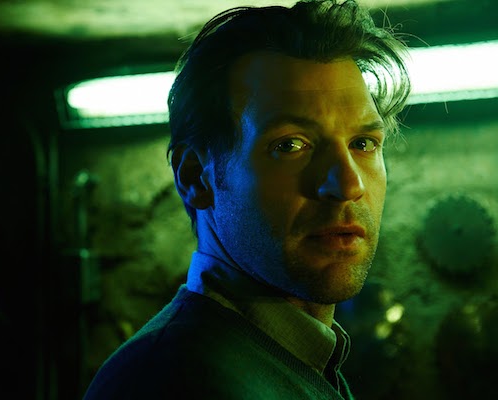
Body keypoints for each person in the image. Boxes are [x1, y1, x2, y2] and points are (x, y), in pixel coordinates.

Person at [83, 0, 411, 398]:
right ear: (195, 177)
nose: (348, 184)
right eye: (290, 145)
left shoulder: (291, 361)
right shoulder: (171, 382)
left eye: (363, 143)